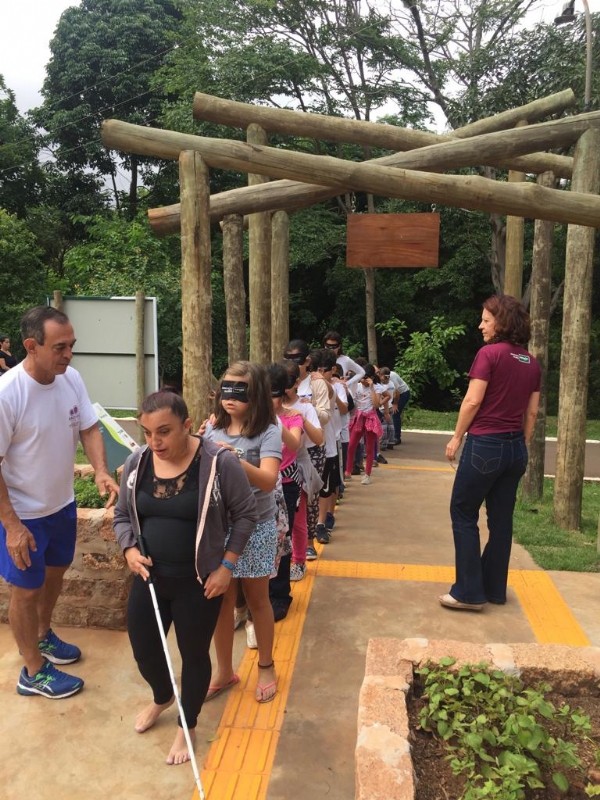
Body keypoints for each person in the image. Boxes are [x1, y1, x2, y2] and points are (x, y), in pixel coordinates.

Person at [113, 389, 257, 765]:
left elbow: (246, 515)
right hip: (149, 579)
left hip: (199, 583)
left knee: (194, 655)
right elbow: (122, 515)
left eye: (164, 432)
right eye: (147, 432)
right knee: (144, 649)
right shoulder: (137, 463)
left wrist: (226, 568)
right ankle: (163, 696)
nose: (154, 442)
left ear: (188, 425)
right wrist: (129, 549)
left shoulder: (219, 462)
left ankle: (187, 723)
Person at [0, 306, 119, 699]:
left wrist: (100, 470)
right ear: (31, 346)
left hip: (62, 505)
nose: (69, 354)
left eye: (72, 345)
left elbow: (89, 427)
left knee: (54, 575)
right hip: (24, 515)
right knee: (25, 591)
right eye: (60, 347)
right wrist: (12, 526)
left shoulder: (72, 379)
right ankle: (32, 671)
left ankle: (42, 635)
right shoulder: (7, 394)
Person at [440, 295, 540, 612]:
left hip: (485, 445)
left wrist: (457, 437)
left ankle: (468, 593)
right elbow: (532, 412)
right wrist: (521, 443)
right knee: (501, 521)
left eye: (486, 320)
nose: (480, 326)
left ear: (502, 323)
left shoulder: (489, 354)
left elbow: (472, 401)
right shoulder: (532, 362)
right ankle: (494, 588)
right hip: (515, 449)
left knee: (463, 512)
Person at [203, 361, 282, 703]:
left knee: (257, 600)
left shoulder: (269, 431)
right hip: (218, 528)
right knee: (221, 601)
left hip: (257, 527)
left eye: (240, 390)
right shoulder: (211, 428)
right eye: (226, 388)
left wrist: (234, 459)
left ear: (257, 395)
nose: (230, 397)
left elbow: (268, 480)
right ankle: (224, 671)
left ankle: (266, 666)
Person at [284, 340, 329, 561]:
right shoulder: (273, 394)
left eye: (298, 358)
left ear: (307, 360)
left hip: (309, 451)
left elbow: (324, 418)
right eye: (288, 358)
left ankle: (306, 546)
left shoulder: (315, 384)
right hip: (282, 458)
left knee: (307, 501)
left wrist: (303, 415)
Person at [343, 364, 383, 486]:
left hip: (370, 418)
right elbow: (352, 401)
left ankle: (367, 474)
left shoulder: (377, 387)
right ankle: (348, 471)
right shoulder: (357, 386)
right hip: (359, 417)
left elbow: (376, 405)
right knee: (351, 446)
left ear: (371, 378)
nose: (363, 380)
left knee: (369, 448)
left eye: (366, 377)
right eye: (362, 377)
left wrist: (371, 387)